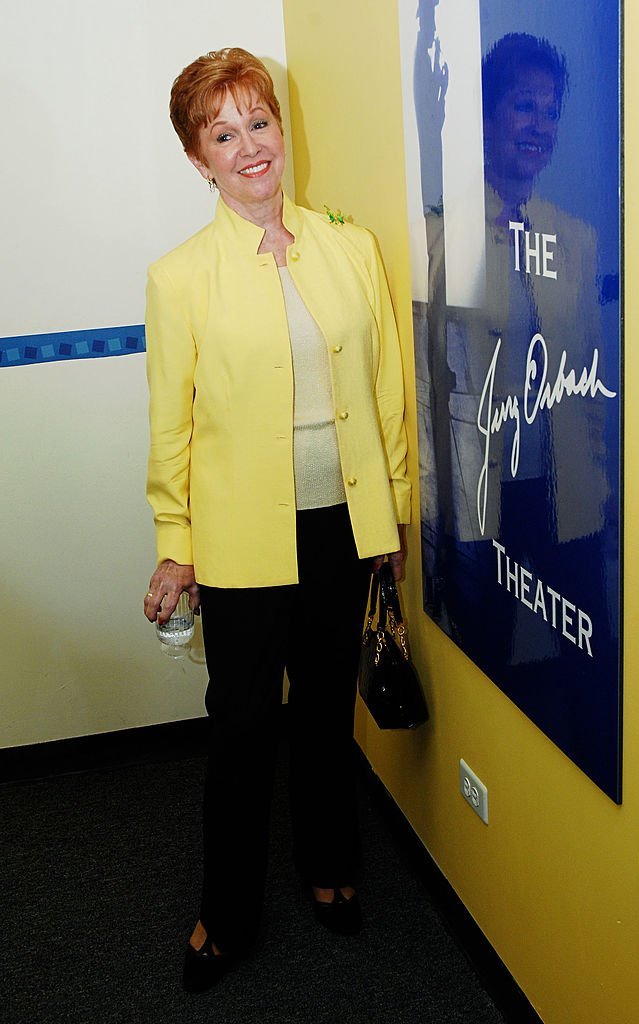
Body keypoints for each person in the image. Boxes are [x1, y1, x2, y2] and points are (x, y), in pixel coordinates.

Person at [142, 47, 411, 993]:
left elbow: (382, 395)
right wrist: (176, 546)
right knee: (243, 725)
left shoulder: (349, 246)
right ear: (199, 158)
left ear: (281, 132)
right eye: (225, 133)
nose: (250, 146)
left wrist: (393, 517)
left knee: (327, 711)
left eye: (261, 122)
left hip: (340, 525)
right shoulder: (180, 278)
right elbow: (169, 423)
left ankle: (329, 867)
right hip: (240, 540)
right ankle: (226, 912)